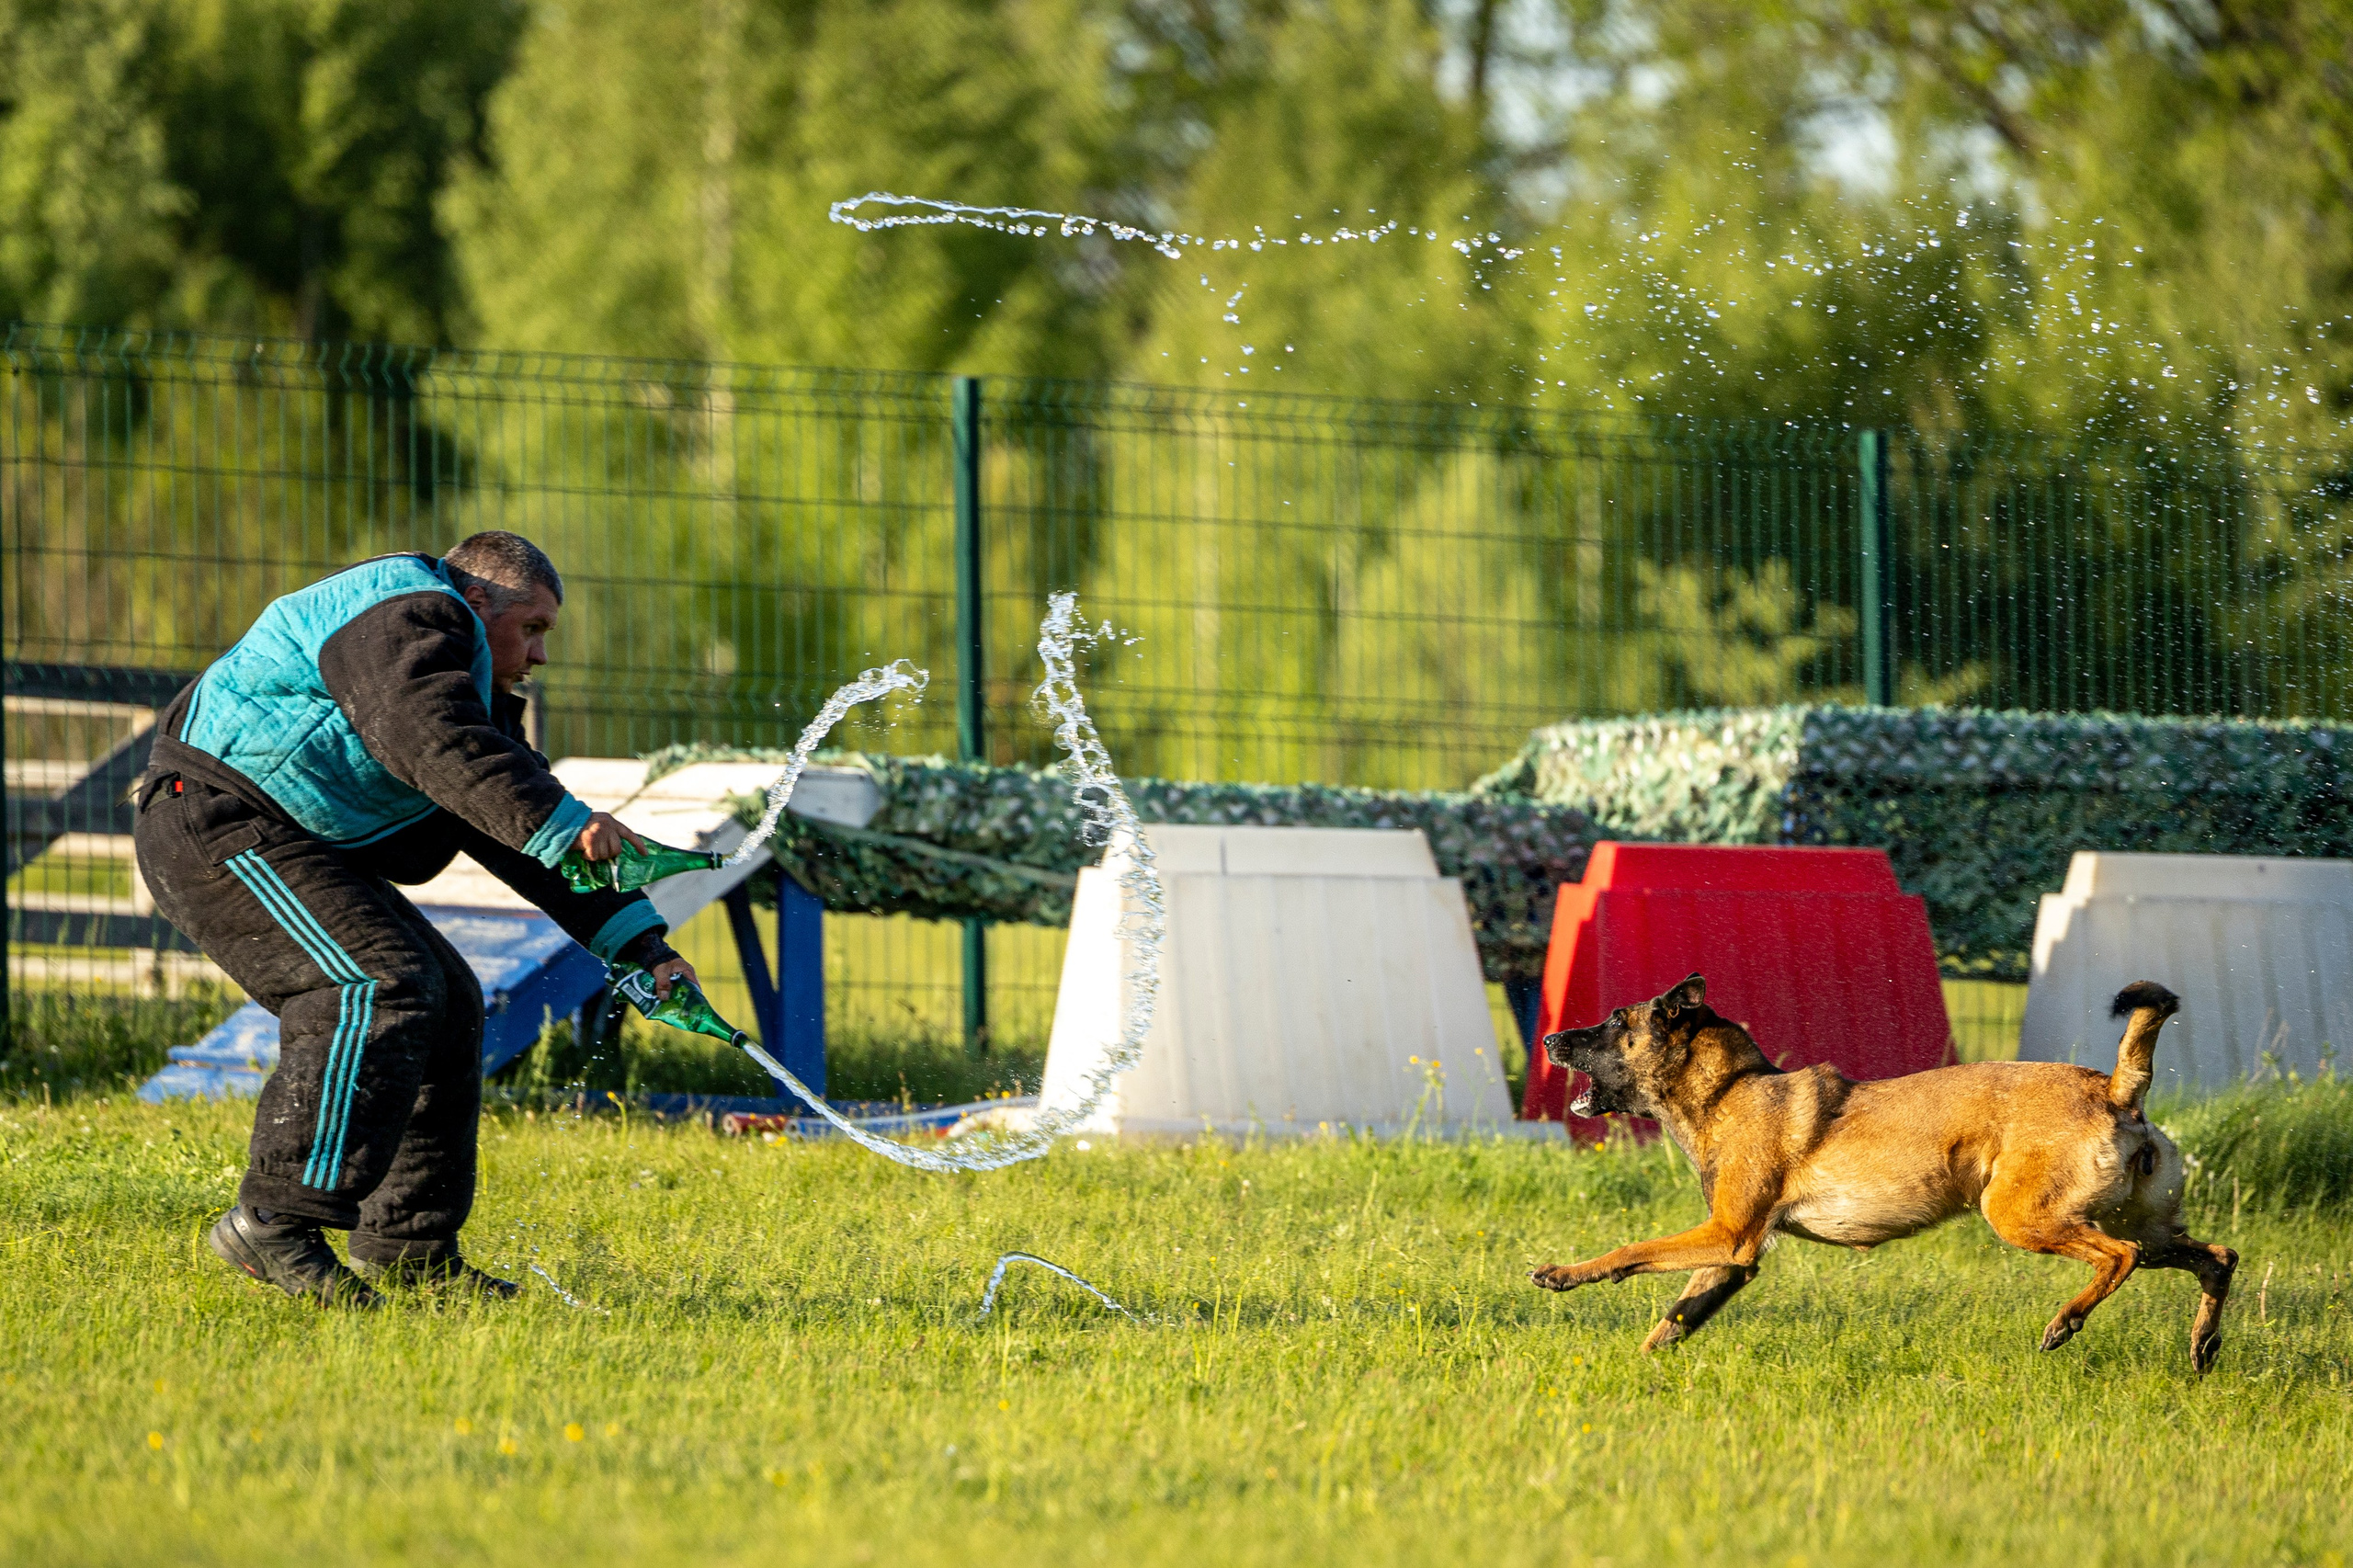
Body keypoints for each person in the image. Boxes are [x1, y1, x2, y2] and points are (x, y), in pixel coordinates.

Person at [133, 531, 698, 1309]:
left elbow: (507, 823)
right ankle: (273, 1221)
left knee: (447, 1004)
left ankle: (411, 1252)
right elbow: (432, 741)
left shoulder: (466, 689)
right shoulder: (405, 615)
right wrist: (564, 820)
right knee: (377, 984)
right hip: (214, 819)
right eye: (533, 628)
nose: (539, 655)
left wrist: (641, 945)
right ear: (476, 600)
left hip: (285, 834)